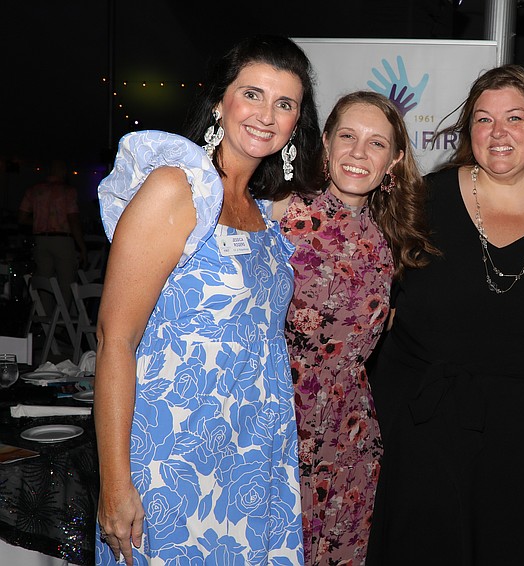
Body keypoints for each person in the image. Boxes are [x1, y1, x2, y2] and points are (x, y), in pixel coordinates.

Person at [93, 34, 322, 565]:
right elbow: (115, 339)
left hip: (251, 457)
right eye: (253, 94)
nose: (267, 114)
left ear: (296, 123)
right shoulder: (177, 187)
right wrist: (114, 482)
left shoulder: (263, 212)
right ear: (221, 100)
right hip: (171, 456)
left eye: (285, 103)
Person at [366, 64, 524, 565]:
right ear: (467, 132)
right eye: (483, 119)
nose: (498, 133)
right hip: (429, 441)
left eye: (514, 118)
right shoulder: (419, 201)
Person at [276, 91, 435, 565]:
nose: (359, 153)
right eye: (347, 136)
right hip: (279, 420)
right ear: (325, 145)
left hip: (349, 433)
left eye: (377, 143)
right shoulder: (281, 215)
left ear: (395, 161)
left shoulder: (391, 239)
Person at [18, 159, 88, 307]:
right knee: (66, 283)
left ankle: (47, 321)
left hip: (41, 240)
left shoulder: (34, 190)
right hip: (62, 240)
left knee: (44, 281)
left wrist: (41, 222)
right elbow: (73, 220)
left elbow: (22, 218)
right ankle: (62, 323)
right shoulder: (68, 191)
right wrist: (82, 247)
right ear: (63, 172)